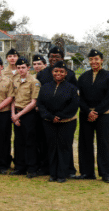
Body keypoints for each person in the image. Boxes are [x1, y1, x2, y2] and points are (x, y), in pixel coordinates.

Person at [38, 61, 79, 183]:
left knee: (64, 147)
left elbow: (74, 105)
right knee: (51, 147)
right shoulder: (45, 87)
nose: (58, 73)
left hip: (66, 122)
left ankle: (62, 174)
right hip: (49, 121)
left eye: (61, 71)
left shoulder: (71, 88)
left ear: (66, 73)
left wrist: (60, 116)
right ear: (52, 72)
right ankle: (53, 174)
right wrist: (50, 117)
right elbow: (40, 104)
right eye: (56, 71)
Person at [76, 49, 109, 182]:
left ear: (101, 60)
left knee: (104, 143)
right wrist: (88, 111)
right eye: (91, 59)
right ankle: (87, 172)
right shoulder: (83, 77)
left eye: (96, 59)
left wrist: (97, 112)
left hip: (104, 114)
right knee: (85, 143)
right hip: (86, 114)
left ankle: (105, 173)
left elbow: (108, 98)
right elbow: (79, 97)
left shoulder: (107, 76)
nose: (93, 62)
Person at [10, 58, 41, 177]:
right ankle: (20, 167)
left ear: (28, 68)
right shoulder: (15, 80)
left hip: (29, 114)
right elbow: (13, 99)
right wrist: (14, 115)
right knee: (18, 142)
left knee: (30, 142)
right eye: (18, 68)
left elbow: (34, 102)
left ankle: (32, 168)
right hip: (16, 114)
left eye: (23, 67)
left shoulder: (34, 81)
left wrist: (19, 115)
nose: (20, 70)